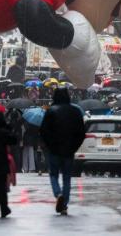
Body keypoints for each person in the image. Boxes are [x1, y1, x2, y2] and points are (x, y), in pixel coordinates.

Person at [40, 87, 86, 216]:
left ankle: (58, 194)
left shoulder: (51, 111)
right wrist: (74, 147)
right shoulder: (75, 111)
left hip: (54, 150)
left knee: (53, 175)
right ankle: (64, 204)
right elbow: (81, 133)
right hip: (69, 151)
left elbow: (43, 131)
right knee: (67, 178)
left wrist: (49, 145)